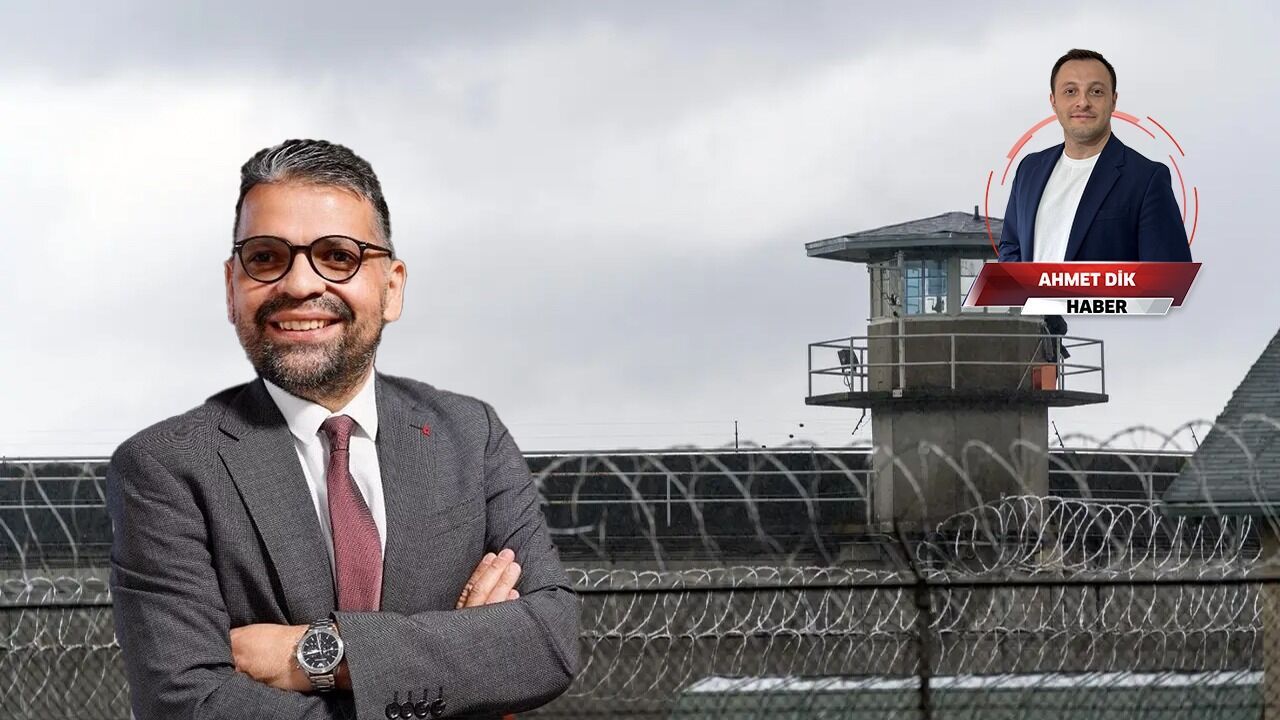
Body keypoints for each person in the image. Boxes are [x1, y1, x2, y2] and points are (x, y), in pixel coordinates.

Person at [106, 139, 579, 719]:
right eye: (265, 257)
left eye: (337, 256)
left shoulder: (470, 435)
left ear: (392, 288)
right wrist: (461, 665)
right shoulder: (166, 467)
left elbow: (548, 643)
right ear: (231, 288)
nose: (300, 284)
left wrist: (317, 654)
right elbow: (185, 704)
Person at [998, 49, 1192, 263]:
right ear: (1053, 101)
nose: (1083, 102)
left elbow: (1167, 275)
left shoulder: (1146, 179)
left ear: (1113, 101)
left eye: (1096, 92)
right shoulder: (1029, 169)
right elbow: (1011, 247)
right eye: (1070, 91)